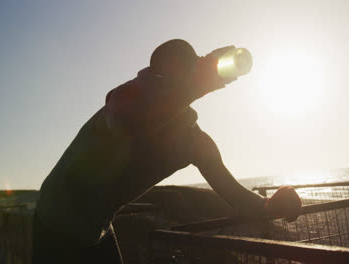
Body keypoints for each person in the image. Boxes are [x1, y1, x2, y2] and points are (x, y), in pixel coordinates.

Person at [32, 39, 301, 263]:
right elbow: (126, 125)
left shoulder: (191, 138)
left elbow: (233, 194)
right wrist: (195, 88)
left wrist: (270, 205)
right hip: (57, 218)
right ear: (158, 73)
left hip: (96, 225)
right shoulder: (129, 94)